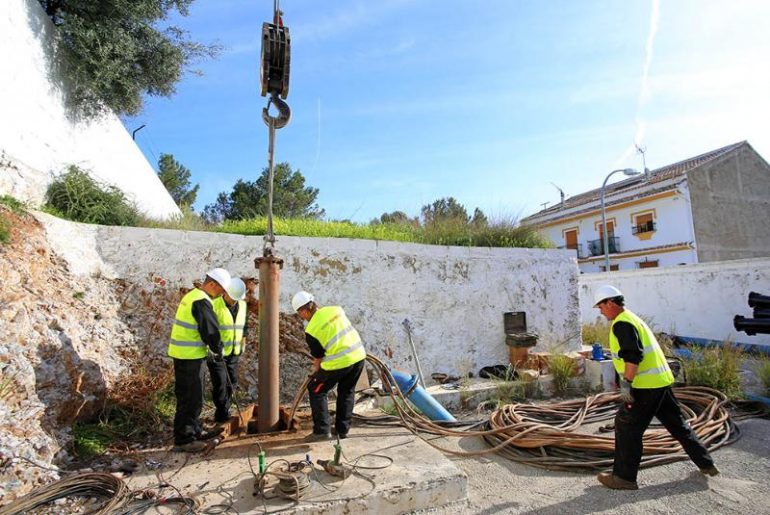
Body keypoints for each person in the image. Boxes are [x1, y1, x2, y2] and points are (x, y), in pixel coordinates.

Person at [593, 284, 719, 490]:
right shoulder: (633, 319)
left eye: (601, 306)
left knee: (627, 426)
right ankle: (706, 463)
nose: (601, 311)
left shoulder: (622, 324)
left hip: (645, 387)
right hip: (661, 383)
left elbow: (633, 356)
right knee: (678, 425)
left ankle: (624, 478)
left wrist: (626, 386)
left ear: (610, 302)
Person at [168, 268, 230, 451]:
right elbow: (210, 330)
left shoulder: (192, 296)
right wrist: (218, 349)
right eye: (220, 290)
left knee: (193, 396)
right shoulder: (201, 302)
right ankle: (185, 439)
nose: (221, 294)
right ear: (212, 284)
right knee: (190, 399)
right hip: (189, 357)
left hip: (186, 356)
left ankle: (194, 430)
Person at [291, 291, 367, 441]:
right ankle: (342, 430)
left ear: (304, 310)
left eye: (300, 313)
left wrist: (315, 372)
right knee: (347, 392)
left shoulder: (311, 329)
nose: (301, 317)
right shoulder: (336, 309)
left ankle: (322, 431)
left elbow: (318, 357)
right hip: (358, 357)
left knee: (316, 389)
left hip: (340, 363)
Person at [207, 277, 248, 424]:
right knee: (220, 383)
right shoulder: (214, 306)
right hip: (217, 353)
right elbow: (209, 330)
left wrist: (243, 342)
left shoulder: (242, 306)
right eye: (232, 297)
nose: (234, 301)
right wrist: (214, 348)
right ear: (225, 293)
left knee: (232, 382)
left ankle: (226, 408)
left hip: (234, 352)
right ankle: (222, 414)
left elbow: (244, 326)